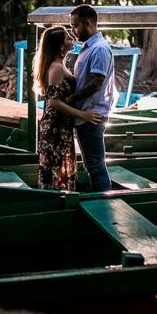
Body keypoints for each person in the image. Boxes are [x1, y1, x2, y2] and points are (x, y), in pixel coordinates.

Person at [33, 26, 102, 191]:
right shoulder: (56, 67)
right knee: (55, 169)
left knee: (59, 167)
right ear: (60, 45)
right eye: (67, 37)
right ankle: (55, 202)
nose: (71, 38)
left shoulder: (59, 65)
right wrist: (83, 115)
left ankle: (59, 200)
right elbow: (53, 102)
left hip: (61, 125)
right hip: (55, 126)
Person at [65, 4, 117, 191]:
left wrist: (70, 100)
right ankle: (100, 197)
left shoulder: (99, 49)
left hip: (91, 116)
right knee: (91, 166)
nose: (73, 31)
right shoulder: (88, 48)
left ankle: (104, 203)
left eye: (75, 26)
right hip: (84, 115)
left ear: (88, 23)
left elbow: (96, 83)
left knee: (96, 167)